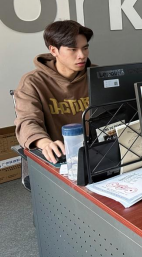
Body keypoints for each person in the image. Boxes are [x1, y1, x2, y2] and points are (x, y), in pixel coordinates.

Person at [14, 20, 94, 165]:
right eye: (73, 49)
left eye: (85, 48)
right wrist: (44, 142)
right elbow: (27, 121)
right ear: (53, 50)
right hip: (58, 158)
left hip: (97, 152)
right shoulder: (32, 82)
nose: (82, 55)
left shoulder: (97, 75)